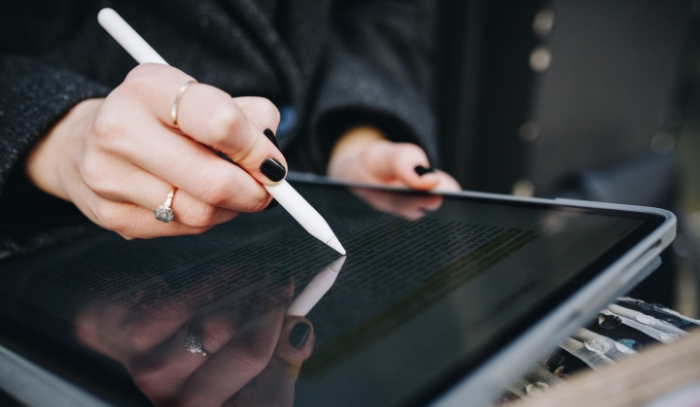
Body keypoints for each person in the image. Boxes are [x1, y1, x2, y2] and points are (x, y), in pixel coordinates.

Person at [0, 0, 460, 254]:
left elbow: (378, 12)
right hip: (71, 254)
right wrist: (59, 135)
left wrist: (354, 136)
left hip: (307, 208)